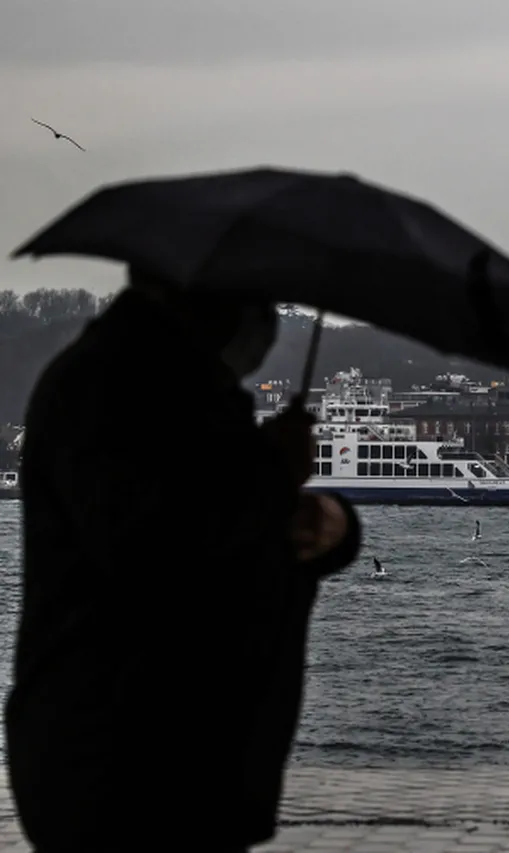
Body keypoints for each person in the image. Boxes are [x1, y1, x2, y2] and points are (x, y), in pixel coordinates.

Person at [5, 268, 362, 852]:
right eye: (253, 298)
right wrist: (275, 472)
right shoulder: (112, 391)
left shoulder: (178, 392)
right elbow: (163, 548)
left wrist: (331, 526)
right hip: (132, 762)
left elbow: (230, 528)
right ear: (201, 298)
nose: (264, 320)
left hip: (164, 753)